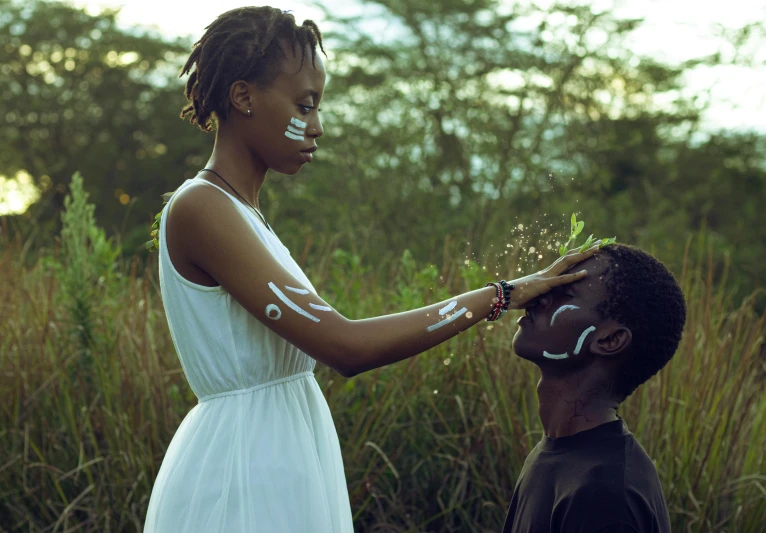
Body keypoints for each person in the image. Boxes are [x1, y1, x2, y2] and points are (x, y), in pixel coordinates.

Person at [143, 7, 602, 532]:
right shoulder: (202, 208)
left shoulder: (242, 213)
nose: (317, 125)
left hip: (281, 452)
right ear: (243, 97)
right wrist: (500, 294)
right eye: (304, 104)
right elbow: (346, 346)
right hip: (243, 469)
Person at [502, 244, 686, 533]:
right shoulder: (558, 452)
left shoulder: (605, 497)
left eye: (565, 293)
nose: (537, 297)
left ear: (610, 340)